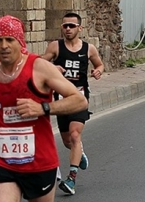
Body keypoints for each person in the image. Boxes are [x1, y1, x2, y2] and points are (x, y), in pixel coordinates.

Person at [0, 15, 88, 202]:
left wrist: (43, 108)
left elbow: (79, 101)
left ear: (20, 41)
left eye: (10, 39)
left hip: (39, 161)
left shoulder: (39, 67)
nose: (4, 46)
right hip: (3, 159)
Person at [41, 13, 104, 195]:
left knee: (75, 135)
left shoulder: (88, 48)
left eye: (72, 26)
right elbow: (39, 63)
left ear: (79, 28)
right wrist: (53, 68)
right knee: (68, 141)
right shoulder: (56, 46)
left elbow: (99, 64)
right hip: (61, 99)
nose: (68, 29)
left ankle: (71, 179)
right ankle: (79, 152)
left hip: (80, 97)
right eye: (65, 26)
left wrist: (98, 71)